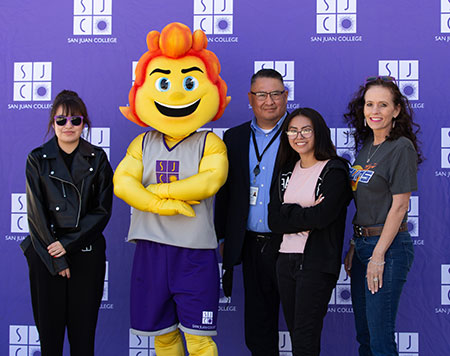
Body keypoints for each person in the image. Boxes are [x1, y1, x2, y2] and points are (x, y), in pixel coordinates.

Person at [113, 23, 229, 356]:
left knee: (200, 340)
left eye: (189, 82)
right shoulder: (142, 142)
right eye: (164, 83)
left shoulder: (210, 142)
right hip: (151, 250)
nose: (176, 94)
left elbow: (209, 181)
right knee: (163, 337)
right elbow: (123, 182)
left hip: (194, 252)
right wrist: (156, 204)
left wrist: (158, 193)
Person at [21, 90, 114, 356]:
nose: (68, 126)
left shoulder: (98, 159)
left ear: (84, 123)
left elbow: (102, 211)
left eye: (76, 120)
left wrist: (69, 245)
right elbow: (35, 213)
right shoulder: (36, 159)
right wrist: (57, 257)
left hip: (85, 254)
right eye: (61, 120)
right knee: (49, 339)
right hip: (46, 254)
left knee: (83, 338)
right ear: (53, 123)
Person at [343, 76, 421, 356]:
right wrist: (355, 245)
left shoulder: (401, 147)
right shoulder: (366, 149)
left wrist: (377, 256)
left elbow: (400, 206)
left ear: (396, 110)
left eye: (383, 105)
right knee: (364, 336)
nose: (374, 111)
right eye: (369, 104)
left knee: (380, 339)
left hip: (387, 249)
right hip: (362, 246)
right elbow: (365, 202)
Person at [214, 68, 288, 356]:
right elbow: (225, 193)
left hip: (292, 243)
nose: (269, 101)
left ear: (285, 96)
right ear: (250, 98)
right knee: (258, 327)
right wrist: (223, 236)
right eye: (261, 94)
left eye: (276, 94)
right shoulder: (233, 138)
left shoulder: (300, 133)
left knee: (300, 322)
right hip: (252, 243)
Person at [268, 108, 352, 356]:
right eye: (292, 130)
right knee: (296, 334)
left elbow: (323, 216)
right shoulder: (286, 170)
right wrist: (301, 213)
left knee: (305, 336)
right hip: (284, 260)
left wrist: (288, 212)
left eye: (306, 130)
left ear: (319, 133)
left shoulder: (334, 170)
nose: (298, 135)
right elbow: (274, 220)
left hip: (315, 263)